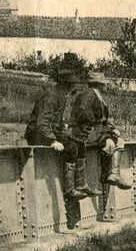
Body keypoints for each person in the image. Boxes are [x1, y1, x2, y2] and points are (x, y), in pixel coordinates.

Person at [24, 69, 99, 230]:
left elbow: (57, 122)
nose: (73, 88)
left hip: (48, 132)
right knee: (71, 147)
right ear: (66, 85)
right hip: (37, 134)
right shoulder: (51, 97)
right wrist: (52, 141)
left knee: (78, 143)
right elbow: (41, 123)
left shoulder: (61, 96)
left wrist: (66, 131)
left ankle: (80, 184)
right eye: (72, 85)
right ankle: (70, 189)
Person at [71, 71, 132, 212]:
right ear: (98, 84)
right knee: (112, 142)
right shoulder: (88, 95)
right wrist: (106, 130)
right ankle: (112, 174)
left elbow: (104, 120)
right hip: (87, 133)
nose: (105, 86)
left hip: (94, 131)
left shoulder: (96, 95)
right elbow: (84, 115)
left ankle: (112, 174)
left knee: (116, 141)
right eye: (104, 84)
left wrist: (112, 129)